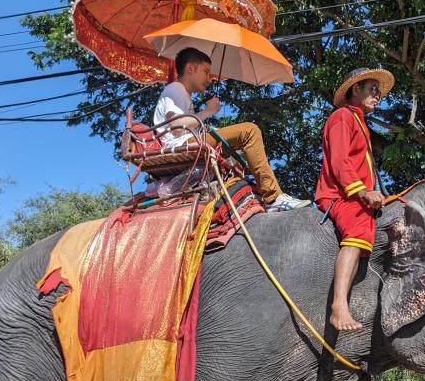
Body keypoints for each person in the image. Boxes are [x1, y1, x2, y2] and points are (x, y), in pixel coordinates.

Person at [152, 47, 309, 212]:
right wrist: (208, 111)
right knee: (249, 131)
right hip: (182, 144)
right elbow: (177, 127)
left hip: (188, 142)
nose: (209, 78)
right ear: (190, 68)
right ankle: (273, 197)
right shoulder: (176, 88)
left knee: (238, 154)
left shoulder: (183, 93)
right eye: (205, 71)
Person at [315, 66, 394, 331]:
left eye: (379, 92)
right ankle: (338, 305)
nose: (377, 95)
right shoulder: (342, 117)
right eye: (372, 89)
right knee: (359, 225)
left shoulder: (360, 121)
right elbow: (339, 161)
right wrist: (362, 192)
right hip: (339, 195)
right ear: (355, 89)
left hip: (354, 193)